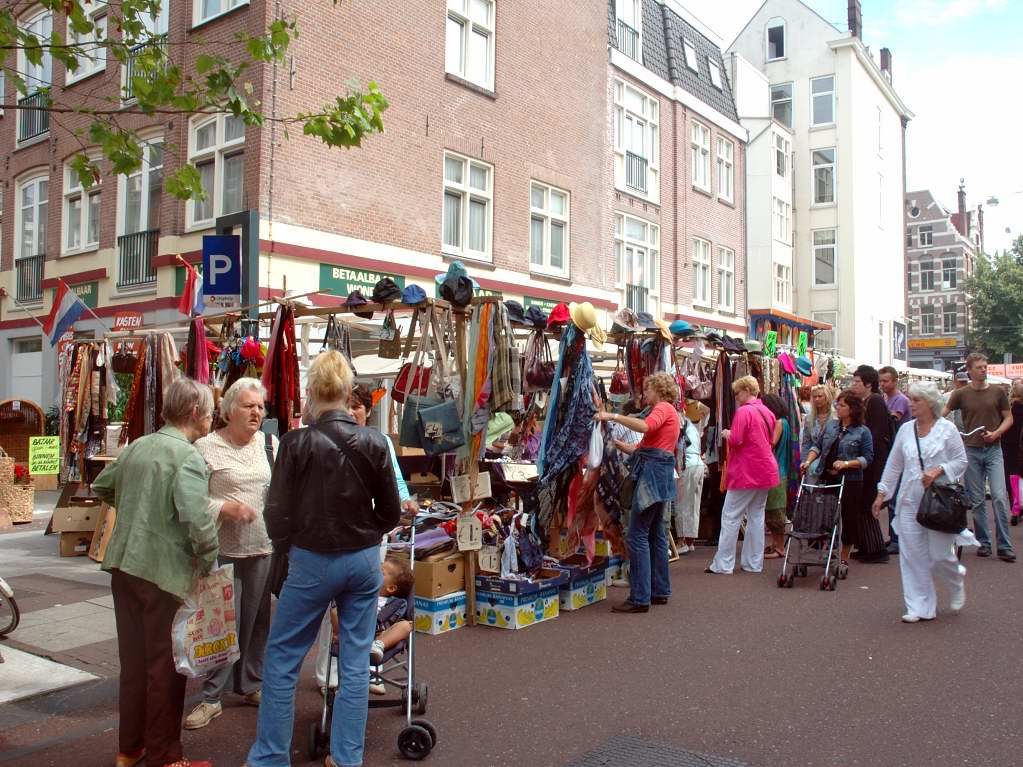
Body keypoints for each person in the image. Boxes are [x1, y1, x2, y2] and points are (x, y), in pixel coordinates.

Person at [245, 351, 401, 767]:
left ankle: (271, 757)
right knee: (354, 662)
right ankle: (346, 757)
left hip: (311, 558)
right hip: (363, 559)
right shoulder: (375, 441)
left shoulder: (296, 442)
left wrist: (290, 545)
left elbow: (275, 510)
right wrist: (365, 534)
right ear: (349, 393)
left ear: (312, 392)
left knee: (282, 660)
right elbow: (390, 511)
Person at [92, 378, 218, 767]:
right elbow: (198, 521)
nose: (212, 418)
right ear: (195, 413)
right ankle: (166, 756)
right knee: (165, 667)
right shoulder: (188, 456)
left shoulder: (137, 448)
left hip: (124, 564)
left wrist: (136, 509)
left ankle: (130, 748)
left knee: (134, 664)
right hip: (164, 571)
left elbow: (101, 485)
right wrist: (208, 560)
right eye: (210, 411)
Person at [185, 378, 276, 731]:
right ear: (228, 410)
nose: (256, 412)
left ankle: (251, 684)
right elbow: (189, 500)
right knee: (222, 624)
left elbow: (278, 494)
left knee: (257, 622)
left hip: (263, 547)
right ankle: (211, 697)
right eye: (248, 406)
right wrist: (224, 507)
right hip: (221, 550)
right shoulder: (204, 448)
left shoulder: (270, 444)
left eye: (260, 406)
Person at [314, 383, 416, 692]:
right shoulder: (325, 439)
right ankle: (329, 673)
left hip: (372, 533)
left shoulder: (380, 440)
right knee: (332, 603)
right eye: (346, 405)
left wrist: (406, 501)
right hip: (333, 535)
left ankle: (367, 670)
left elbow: (395, 480)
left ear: (367, 411)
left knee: (367, 601)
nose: (351, 411)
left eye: (357, 406)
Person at [872, 382, 970, 622]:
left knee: (939, 554)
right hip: (908, 500)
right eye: (912, 399)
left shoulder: (947, 430)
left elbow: (961, 461)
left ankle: (956, 581)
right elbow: (894, 465)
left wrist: (939, 470)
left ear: (930, 403)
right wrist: (882, 493)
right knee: (911, 554)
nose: (911, 404)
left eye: (917, 400)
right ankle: (919, 606)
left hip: (938, 499)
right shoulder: (906, 430)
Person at [594, 372, 680, 612]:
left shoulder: (662, 408)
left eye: (648, 389)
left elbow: (644, 426)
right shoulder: (669, 411)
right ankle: (659, 591)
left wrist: (613, 415)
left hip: (653, 473)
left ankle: (640, 597)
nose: (644, 394)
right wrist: (616, 444)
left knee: (637, 535)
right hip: (660, 471)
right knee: (655, 534)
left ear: (659, 390)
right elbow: (641, 447)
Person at [944, 353, 1016, 561]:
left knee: (1000, 497)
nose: (984, 370)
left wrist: (997, 433)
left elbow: (1008, 418)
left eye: (985, 367)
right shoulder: (961, 393)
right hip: (971, 450)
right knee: (976, 500)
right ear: (969, 370)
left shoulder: (997, 392)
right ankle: (983, 542)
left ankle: (1004, 545)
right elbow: (943, 413)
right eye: (979, 367)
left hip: (994, 450)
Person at [705, 376, 778, 575]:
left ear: (746, 390)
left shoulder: (744, 412)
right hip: (765, 469)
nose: (736, 397)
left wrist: (728, 433)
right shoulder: (767, 412)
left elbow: (736, 440)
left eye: (738, 393)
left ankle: (724, 563)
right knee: (756, 516)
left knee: (730, 516)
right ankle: (753, 563)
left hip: (746, 471)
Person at [800, 390, 874, 576]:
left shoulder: (863, 432)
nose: (838, 408)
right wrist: (808, 461)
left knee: (849, 518)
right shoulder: (832, 426)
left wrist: (847, 463)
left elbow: (867, 458)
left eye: (842, 405)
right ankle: (827, 550)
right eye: (838, 405)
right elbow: (817, 445)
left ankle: (844, 556)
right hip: (827, 476)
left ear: (852, 409)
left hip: (850, 480)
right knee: (823, 515)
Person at [330, 555, 414, 695]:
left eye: (380, 572)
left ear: (391, 588)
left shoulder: (396, 602)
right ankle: (339, 635)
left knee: (406, 626)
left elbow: (392, 621)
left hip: (379, 633)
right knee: (335, 610)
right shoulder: (360, 591)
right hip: (354, 629)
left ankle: (378, 645)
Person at [849, 365, 891, 563]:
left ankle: (876, 549)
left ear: (868, 384)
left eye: (857, 382)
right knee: (861, 504)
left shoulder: (875, 402)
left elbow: (875, 434)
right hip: (867, 460)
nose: (854, 385)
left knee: (868, 503)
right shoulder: (864, 401)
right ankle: (865, 546)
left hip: (873, 463)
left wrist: (863, 453)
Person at [879, 366, 910, 555]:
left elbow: (892, 419)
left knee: (895, 497)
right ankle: (894, 537)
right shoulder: (885, 399)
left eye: (886, 381)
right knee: (892, 496)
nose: (883, 384)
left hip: (901, 453)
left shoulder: (900, 400)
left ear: (895, 381)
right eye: (881, 381)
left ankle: (897, 539)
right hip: (892, 452)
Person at [672, 408, 706, 554]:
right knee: (693, 505)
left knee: (682, 504)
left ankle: (682, 542)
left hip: (687, 465)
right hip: (698, 464)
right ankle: (690, 540)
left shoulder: (678, 424)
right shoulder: (690, 424)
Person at [762, 393, 792, 559]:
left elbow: (771, 443)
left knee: (775, 510)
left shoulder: (779, 423)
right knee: (775, 508)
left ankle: (779, 547)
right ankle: (775, 544)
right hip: (781, 470)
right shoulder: (786, 422)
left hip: (776, 471)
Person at [1002, 382, 1023, 525]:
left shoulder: (1008, 409)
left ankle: (1015, 509)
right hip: (1021, 446)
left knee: (1012, 477)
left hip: (1008, 446)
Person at [800, 384, 835, 470]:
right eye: (814, 397)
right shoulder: (809, 418)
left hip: (831, 462)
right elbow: (806, 442)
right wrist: (804, 461)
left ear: (827, 397)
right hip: (812, 462)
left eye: (820, 396)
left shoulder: (836, 417)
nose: (817, 399)